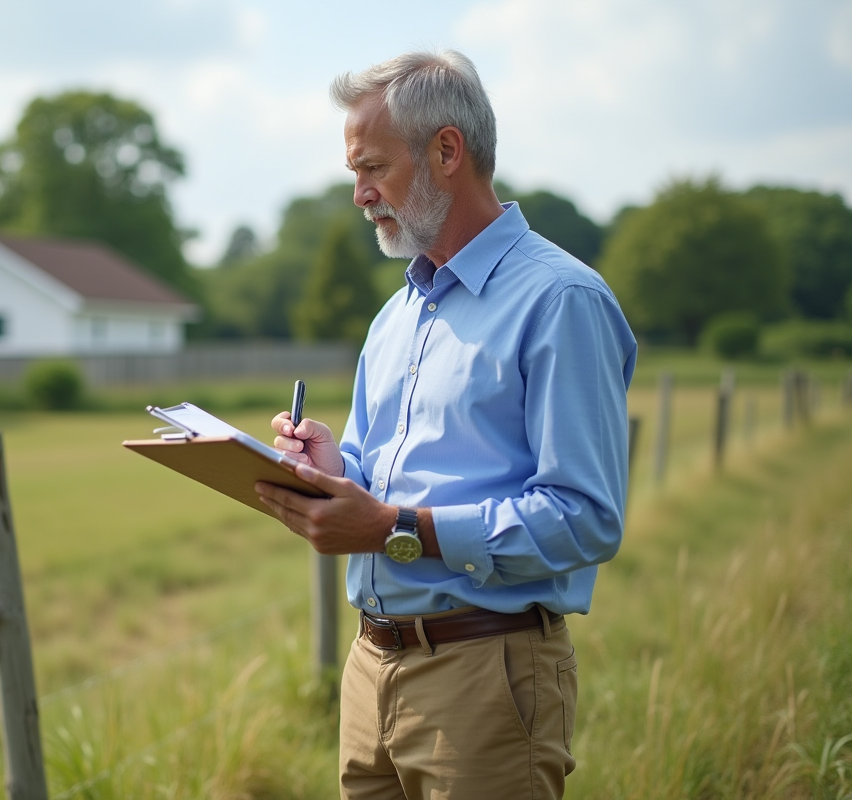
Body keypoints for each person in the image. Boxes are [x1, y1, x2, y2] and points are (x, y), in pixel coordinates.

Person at [255, 49, 637, 800]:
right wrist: (338, 472)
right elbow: (381, 477)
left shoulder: (561, 300)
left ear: (447, 151)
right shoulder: (395, 315)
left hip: (486, 677)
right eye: (353, 175)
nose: (361, 195)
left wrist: (396, 526)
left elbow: (587, 520)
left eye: (372, 168)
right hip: (369, 675)